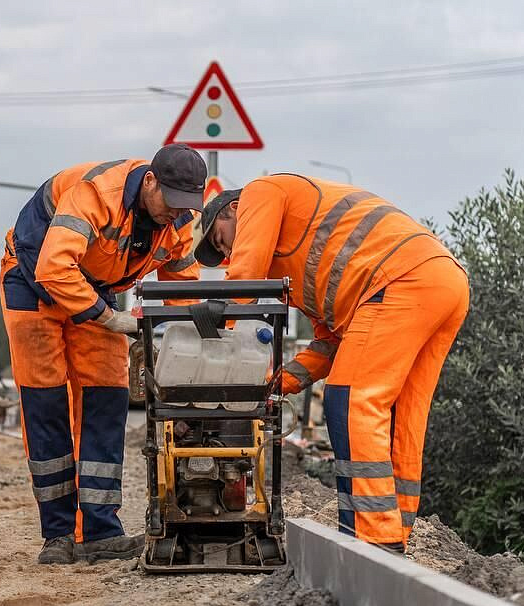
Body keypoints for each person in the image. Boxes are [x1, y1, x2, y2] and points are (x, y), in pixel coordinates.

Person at [194, 175, 469, 552]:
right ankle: (395, 532)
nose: (223, 251)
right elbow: (331, 343)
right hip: (442, 279)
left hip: (398, 278)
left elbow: (244, 276)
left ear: (234, 210)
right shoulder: (306, 270)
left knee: (349, 400)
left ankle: (372, 539)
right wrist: (279, 383)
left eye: (218, 237)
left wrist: (217, 328)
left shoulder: (262, 191)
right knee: (403, 415)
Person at [0, 144, 208, 565]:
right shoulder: (97, 193)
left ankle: (99, 532)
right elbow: (54, 268)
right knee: (46, 405)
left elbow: (181, 287)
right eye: (171, 201)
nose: (176, 213)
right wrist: (110, 320)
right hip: (31, 281)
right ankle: (57, 534)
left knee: (108, 400)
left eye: (187, 204)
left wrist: (183, 351)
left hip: (97, 289)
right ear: (150, 181)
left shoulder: (182, 220)